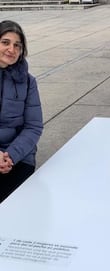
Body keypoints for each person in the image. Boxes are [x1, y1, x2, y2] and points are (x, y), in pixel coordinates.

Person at [0, 20, 43, 203]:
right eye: (5, 42)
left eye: (17, 45)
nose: (12, 49)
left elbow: (33, 126)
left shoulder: (28, 82)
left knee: (14, 202)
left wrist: (11, 156)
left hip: (18, 157)